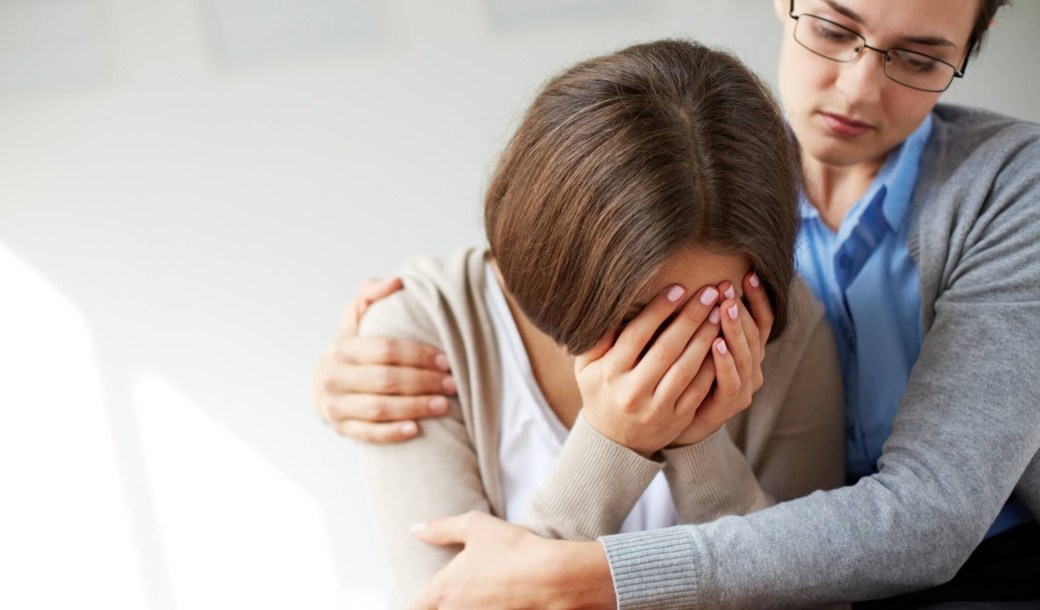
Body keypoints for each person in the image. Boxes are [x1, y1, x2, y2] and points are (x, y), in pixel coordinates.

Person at [317, 0, 1040, 606]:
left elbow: (929, 518)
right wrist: (338, 379)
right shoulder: (704, 166)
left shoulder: (995, 197)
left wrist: (667, 453)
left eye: (917, 58)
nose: (856, 90)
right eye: (831, 29)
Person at [355, 39, 845, 605]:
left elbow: (816, 597)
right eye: (640, 312)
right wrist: (612, 443)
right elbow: (449, 602)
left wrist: (700, 443)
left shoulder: (781, 326)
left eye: (706, 312)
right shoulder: (423, 325)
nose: (669, 348)